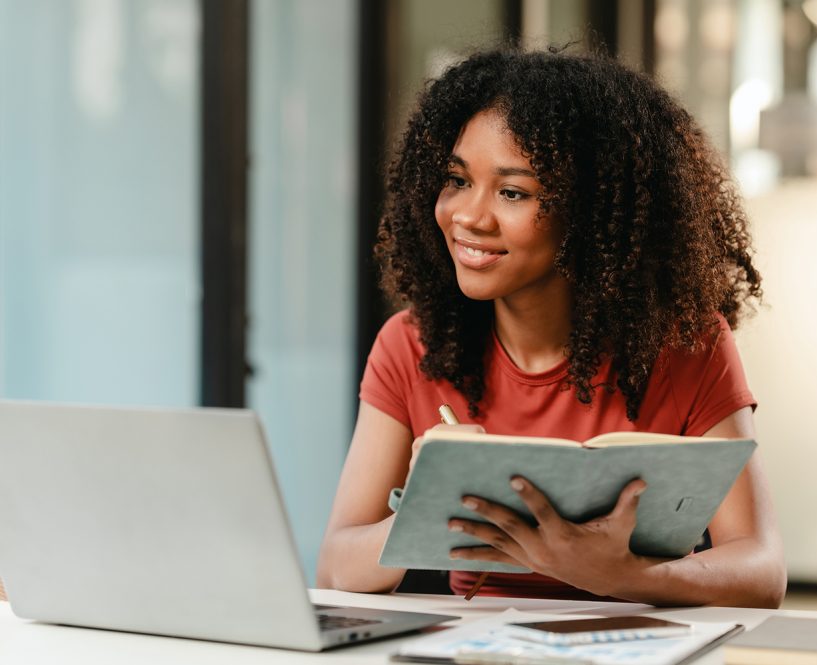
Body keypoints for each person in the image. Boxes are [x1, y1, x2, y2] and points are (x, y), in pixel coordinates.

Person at [316, 47, 786, 607]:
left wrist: (625, 577)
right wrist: (431, 501)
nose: (469, 216)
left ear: (588, 214)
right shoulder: (413, 344)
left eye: (513, 192)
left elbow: (761, 572)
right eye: (455, 179)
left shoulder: (687, 344)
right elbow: (336, 569)